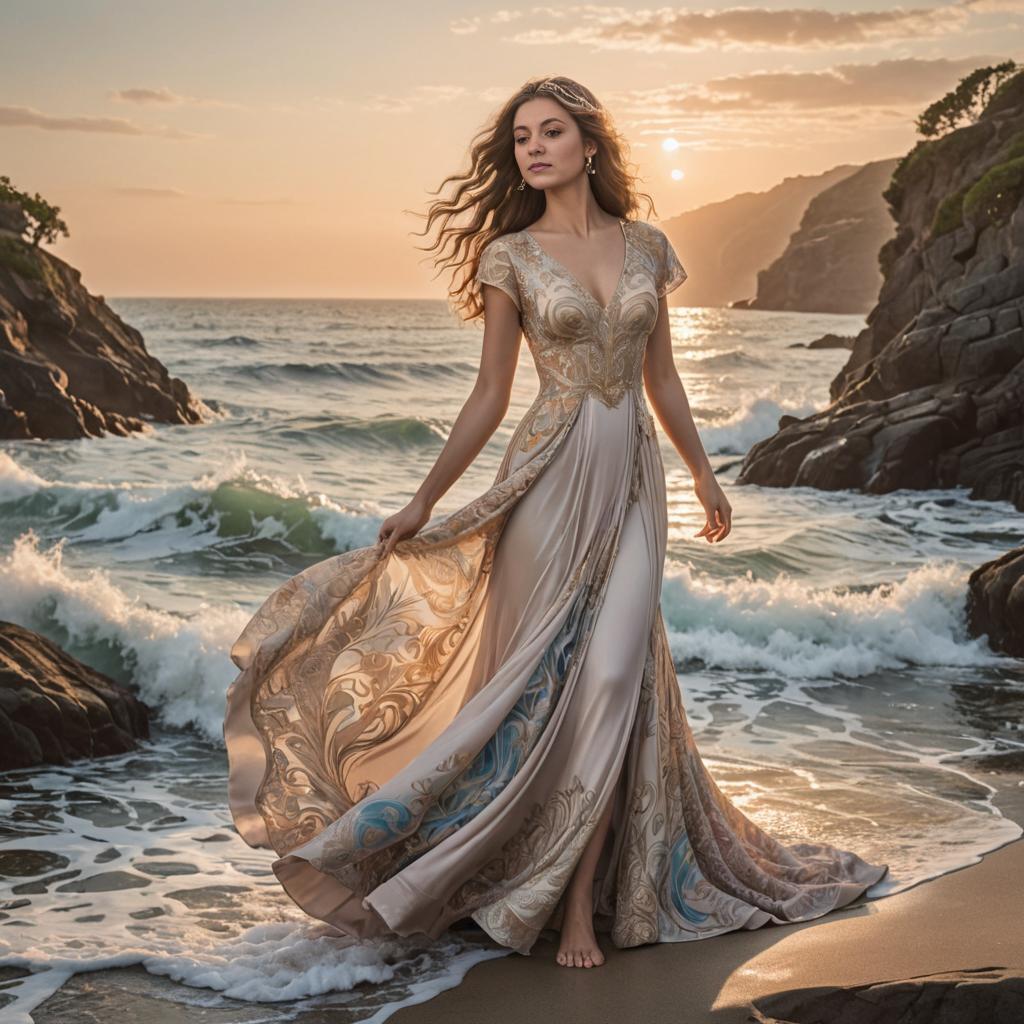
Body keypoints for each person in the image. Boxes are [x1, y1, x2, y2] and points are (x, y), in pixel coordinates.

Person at [223, 74, 888, 972]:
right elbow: (492, 393)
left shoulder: (649, 247)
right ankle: (513, 872)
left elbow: (664, 380)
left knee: (615, 675)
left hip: (633, 482)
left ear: (589, 144)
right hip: (547, 479)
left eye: (551, 132)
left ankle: (576, 901)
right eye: (521, 139)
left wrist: (703, 474)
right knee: (540, 690)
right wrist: (426, 497)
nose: (533, 148)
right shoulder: (510, 255)